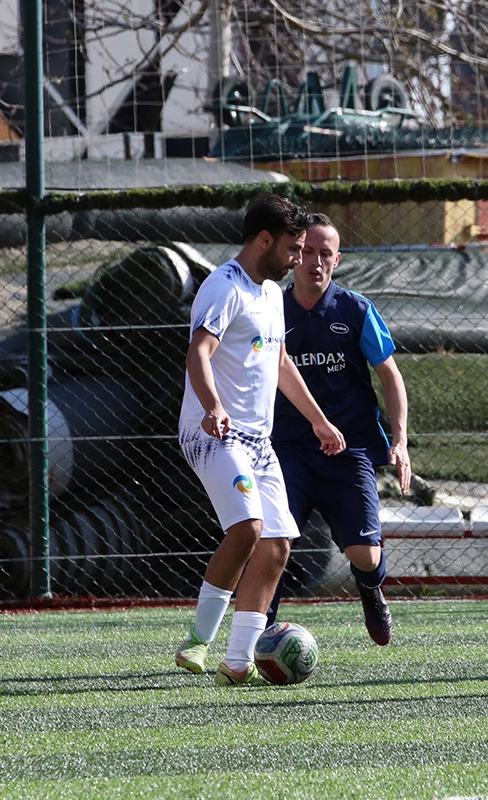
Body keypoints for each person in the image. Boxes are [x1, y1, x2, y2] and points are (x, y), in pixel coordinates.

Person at [174, 195, 346, 687]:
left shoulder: (272, 293)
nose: (299, 258)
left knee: (277, 545)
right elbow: (198, 353)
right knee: (248, 527)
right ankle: (198, 641)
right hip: (212, 432)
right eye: (293, 248)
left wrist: (318, 420)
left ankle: (238, 661)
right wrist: (213, 407)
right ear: (264, 240)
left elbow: (280, 361)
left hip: (257, 441)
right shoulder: (224, 286)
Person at [270, 214, 411, 646]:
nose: (315, 261)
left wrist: (401, 441)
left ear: (337, 260)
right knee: (272, 543)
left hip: (349, 451)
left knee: (365, 555)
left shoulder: (356, 310)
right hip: (288, 449)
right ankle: (254, 636)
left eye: (325, 254)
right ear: (295, 256)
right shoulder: (270, 308)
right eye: (308, 252)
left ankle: (371, 591)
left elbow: (390, 376)